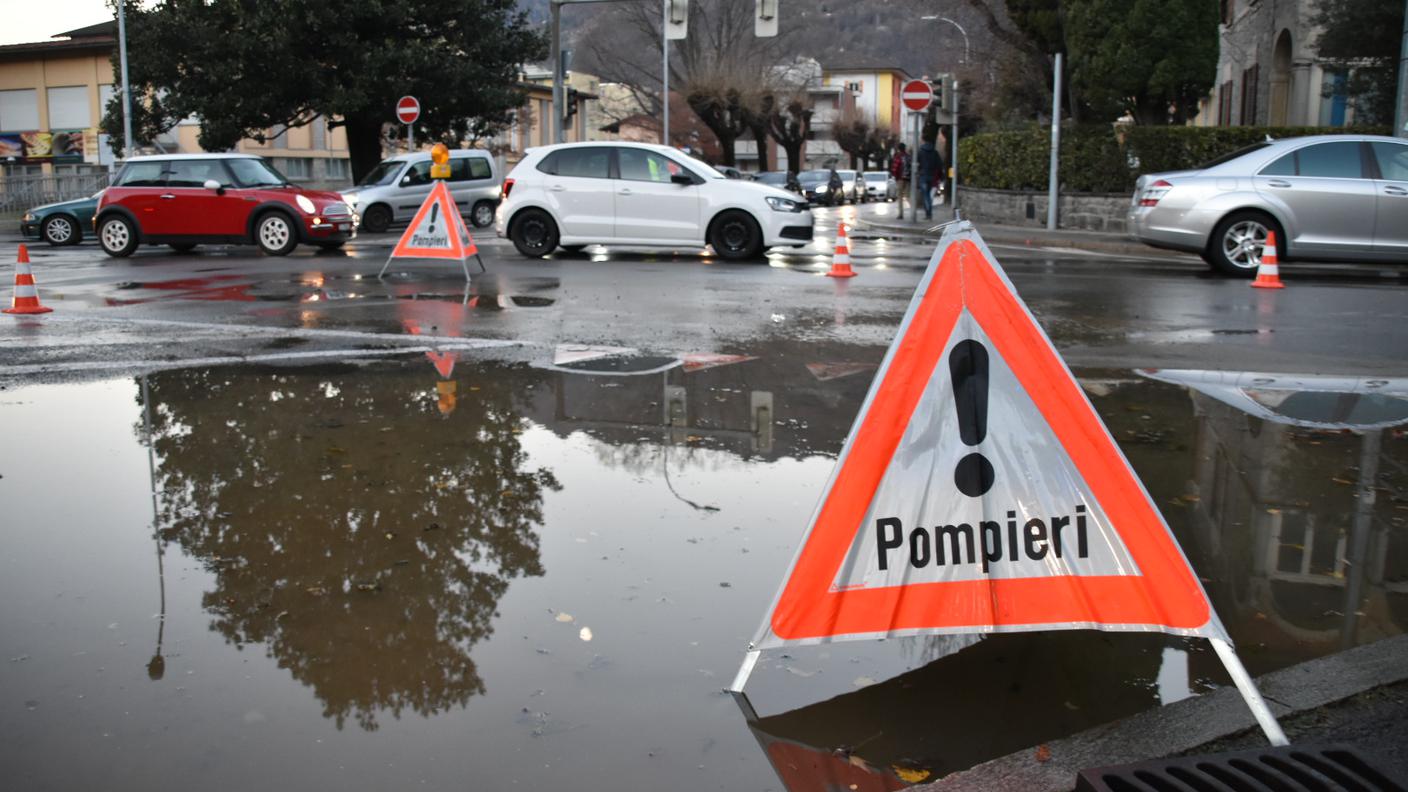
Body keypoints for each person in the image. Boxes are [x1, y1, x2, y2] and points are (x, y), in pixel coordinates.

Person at [917, 137, 944, 220]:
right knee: (928, 195)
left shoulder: (921, 152)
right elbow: (939, 165)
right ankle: (929, 213)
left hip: (923, 175)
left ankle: (928, 213)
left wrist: (919, 171)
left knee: (925, 195)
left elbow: (917, 163)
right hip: (932, 176)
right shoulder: (935, 152)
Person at [890, 143, 911, 215]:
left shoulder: (898, 157)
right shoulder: (908, 156)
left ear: (899, 149)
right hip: (908, 179)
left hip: (900, 179)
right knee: (908, 196)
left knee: (900, 196)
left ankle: (900, 213)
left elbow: (894, 168)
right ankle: (913, 210)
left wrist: (895, 176)